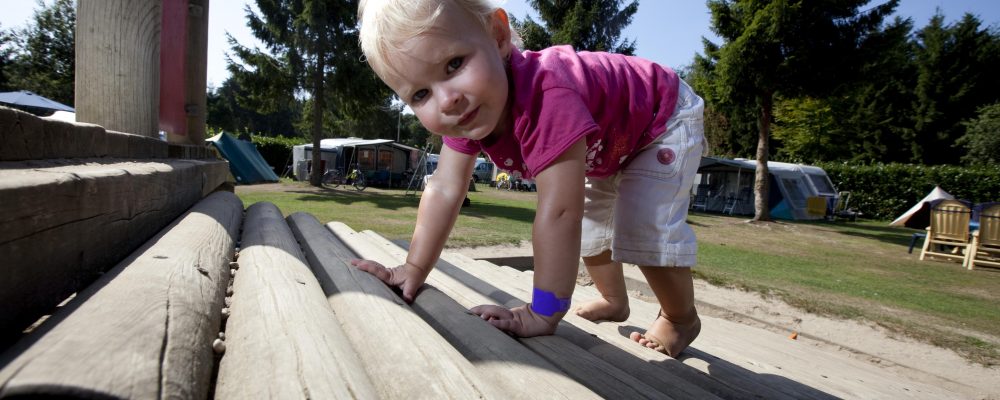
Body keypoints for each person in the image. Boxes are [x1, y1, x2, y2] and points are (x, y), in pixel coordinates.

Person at [350, 0, 705, 357]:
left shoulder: (547, 95)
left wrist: (543, 311)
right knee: (594, 230)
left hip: (662, 117)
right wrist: (413, 268)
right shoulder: (466, 110)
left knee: (643, 223)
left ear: (498, 35)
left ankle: (679, 318)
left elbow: (561, 213)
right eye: (420, 94)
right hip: (611, 142)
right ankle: (614, 299)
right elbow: (444, 188)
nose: (447, 100)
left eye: (454, 64)